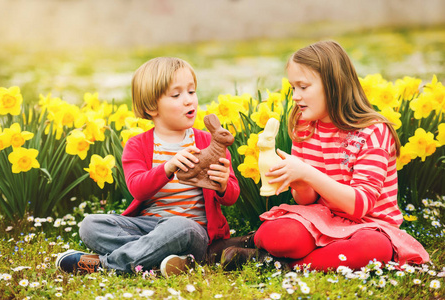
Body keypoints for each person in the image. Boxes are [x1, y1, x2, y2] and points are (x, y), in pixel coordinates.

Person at [221, 40, 429, 272]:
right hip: (322, 218)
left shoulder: (373, 132)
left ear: (334, 85)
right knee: (277, 234)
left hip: (370, 226)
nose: (296, 96)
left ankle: (275, 264)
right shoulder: (305, 126)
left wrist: (308, 173)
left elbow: (360, 205)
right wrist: (300, 183)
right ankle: (275, 252)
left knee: (372, 249)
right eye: (293, 88)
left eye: (304, 87)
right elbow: (306, 200)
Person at [56, 57, 240, 276]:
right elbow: (137, 189)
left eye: (191, 91)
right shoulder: (137, 145)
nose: (189, 100)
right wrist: (167, 168)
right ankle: (166, 259)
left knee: (179, 227)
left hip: (193, 231)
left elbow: (231, 196)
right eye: (176, 95)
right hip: (147, 226)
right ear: (152, 106)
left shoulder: (208, 142)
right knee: (90, 225)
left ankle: (107, 266)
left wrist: (221, 185)